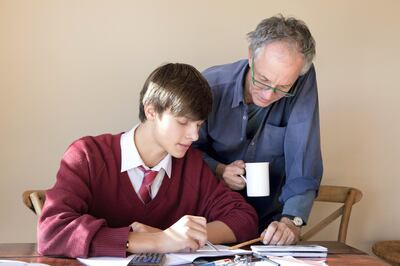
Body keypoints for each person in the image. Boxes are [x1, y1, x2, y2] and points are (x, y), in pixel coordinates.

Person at [37, 63, 258, 258]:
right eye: (183, 122)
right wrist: (158, 241)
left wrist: (184, 236)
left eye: (198, 125)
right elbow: (52, 232)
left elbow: (244, 219)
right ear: (151, 110)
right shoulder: (87, 155)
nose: (195, 135)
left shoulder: (192, 165)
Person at [193, 15, 323, 245]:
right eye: (262, 80)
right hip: (212, 222)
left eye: (283, 88)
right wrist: (219, 169)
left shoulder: (301, 80)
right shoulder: (210, 86)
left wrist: (292, 221)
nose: (268, 95)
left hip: (270, 226)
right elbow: (184, 152)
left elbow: (303, 157)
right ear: (251, 56)